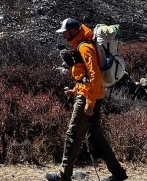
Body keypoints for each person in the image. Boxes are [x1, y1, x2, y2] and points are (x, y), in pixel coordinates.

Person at [45, 18, 127, 181]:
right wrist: (74, 90)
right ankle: (118, 174)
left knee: (73, 134)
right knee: (96, 137)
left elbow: (95, 78)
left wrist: (89, 103)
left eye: (65, 32)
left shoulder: (85, 48)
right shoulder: (82, 46)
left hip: (88, 99)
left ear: (73, 31)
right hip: (91, 96)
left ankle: (63, 176)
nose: (63, 35)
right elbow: (85, 79)